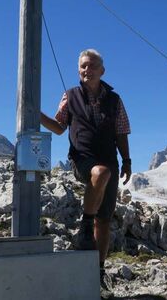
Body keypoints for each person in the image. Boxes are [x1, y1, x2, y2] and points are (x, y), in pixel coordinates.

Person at [40, 48, 132, 287]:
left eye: (91, 66)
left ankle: (99, 271)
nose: (86, 70)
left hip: (109, 158)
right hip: (82, 157)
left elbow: (121, 132)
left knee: (105, 219)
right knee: (100, 173)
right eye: (83, 66)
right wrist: (36, 115)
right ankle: (84, 225)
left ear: (102, 71)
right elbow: (60, 127)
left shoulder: (114, 99)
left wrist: (127, 161)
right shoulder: (70, 96)